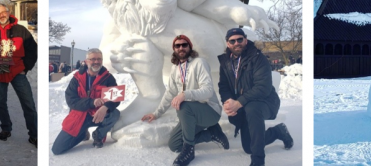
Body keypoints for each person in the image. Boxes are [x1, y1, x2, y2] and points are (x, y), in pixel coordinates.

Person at [141, 35, 229, 166]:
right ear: (174, 49)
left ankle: (189, 150)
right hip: (190, 116)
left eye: (184, 45)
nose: (181, 48)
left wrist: (184, 94)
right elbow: (170, 92)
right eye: (177, 45)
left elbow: (208, 91)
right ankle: (212, 134)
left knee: (184, 104)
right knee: (174, 145)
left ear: (190, 47)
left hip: (209, 111)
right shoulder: (175, 68)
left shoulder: (199, 63)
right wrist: (156, 113)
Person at [218, 28, 293, 166]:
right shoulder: (225, 62)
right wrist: (228, 101)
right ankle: (278, 131)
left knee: (253, 108)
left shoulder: (258, 58)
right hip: (244, 106)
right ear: (228, 44)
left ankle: (258, 161)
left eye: (239, 39)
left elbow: (262, 88)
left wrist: (239, 102)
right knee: (248, 147)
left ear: (245, 40)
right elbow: (223, 86)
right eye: (232, 41)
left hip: (265, 101)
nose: (237, 43)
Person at [0, 4, 38, 146]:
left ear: (8, 12)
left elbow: (32, 49)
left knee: (28, 104)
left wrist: (26, 67)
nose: (1, 15)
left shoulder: (21, 30)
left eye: (3, 12)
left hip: (17, 71)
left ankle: (34, 134)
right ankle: (6, 128)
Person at [51, 48, 121, 155]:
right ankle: (82, 134)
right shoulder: (77, 77)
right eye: (93, 59)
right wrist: (91, 102)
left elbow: (116, 98)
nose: (96, 62)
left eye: (99, 59)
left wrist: (105, 106)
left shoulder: (108, 77)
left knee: (115, 114)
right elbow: (71, 101)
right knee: (57, 149)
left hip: (99, 114)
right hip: (80, 116)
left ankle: (98, 135)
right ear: (87, 61)